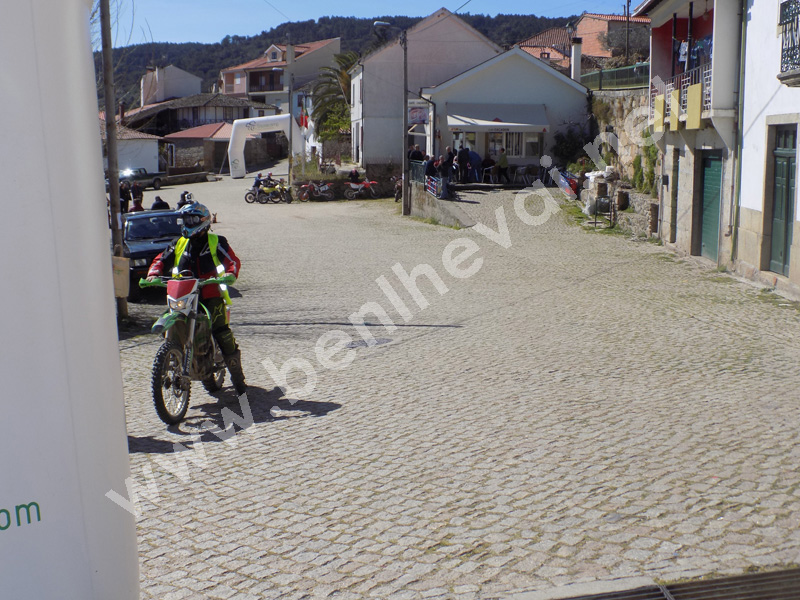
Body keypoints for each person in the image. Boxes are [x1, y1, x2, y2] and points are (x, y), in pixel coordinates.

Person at [146, 202, 247, 397]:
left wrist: (230, 273)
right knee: (172, 321)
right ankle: (172, 355)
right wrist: (154, 273)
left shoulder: (216, 241)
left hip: (209, 294)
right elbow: (161, 259)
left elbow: (232, 261)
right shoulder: (179, 243)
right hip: (183, 294)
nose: (187, 223)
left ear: (203, 221)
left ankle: (239, 380)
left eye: (191, 219)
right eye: (184, 220)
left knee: (222, 333)